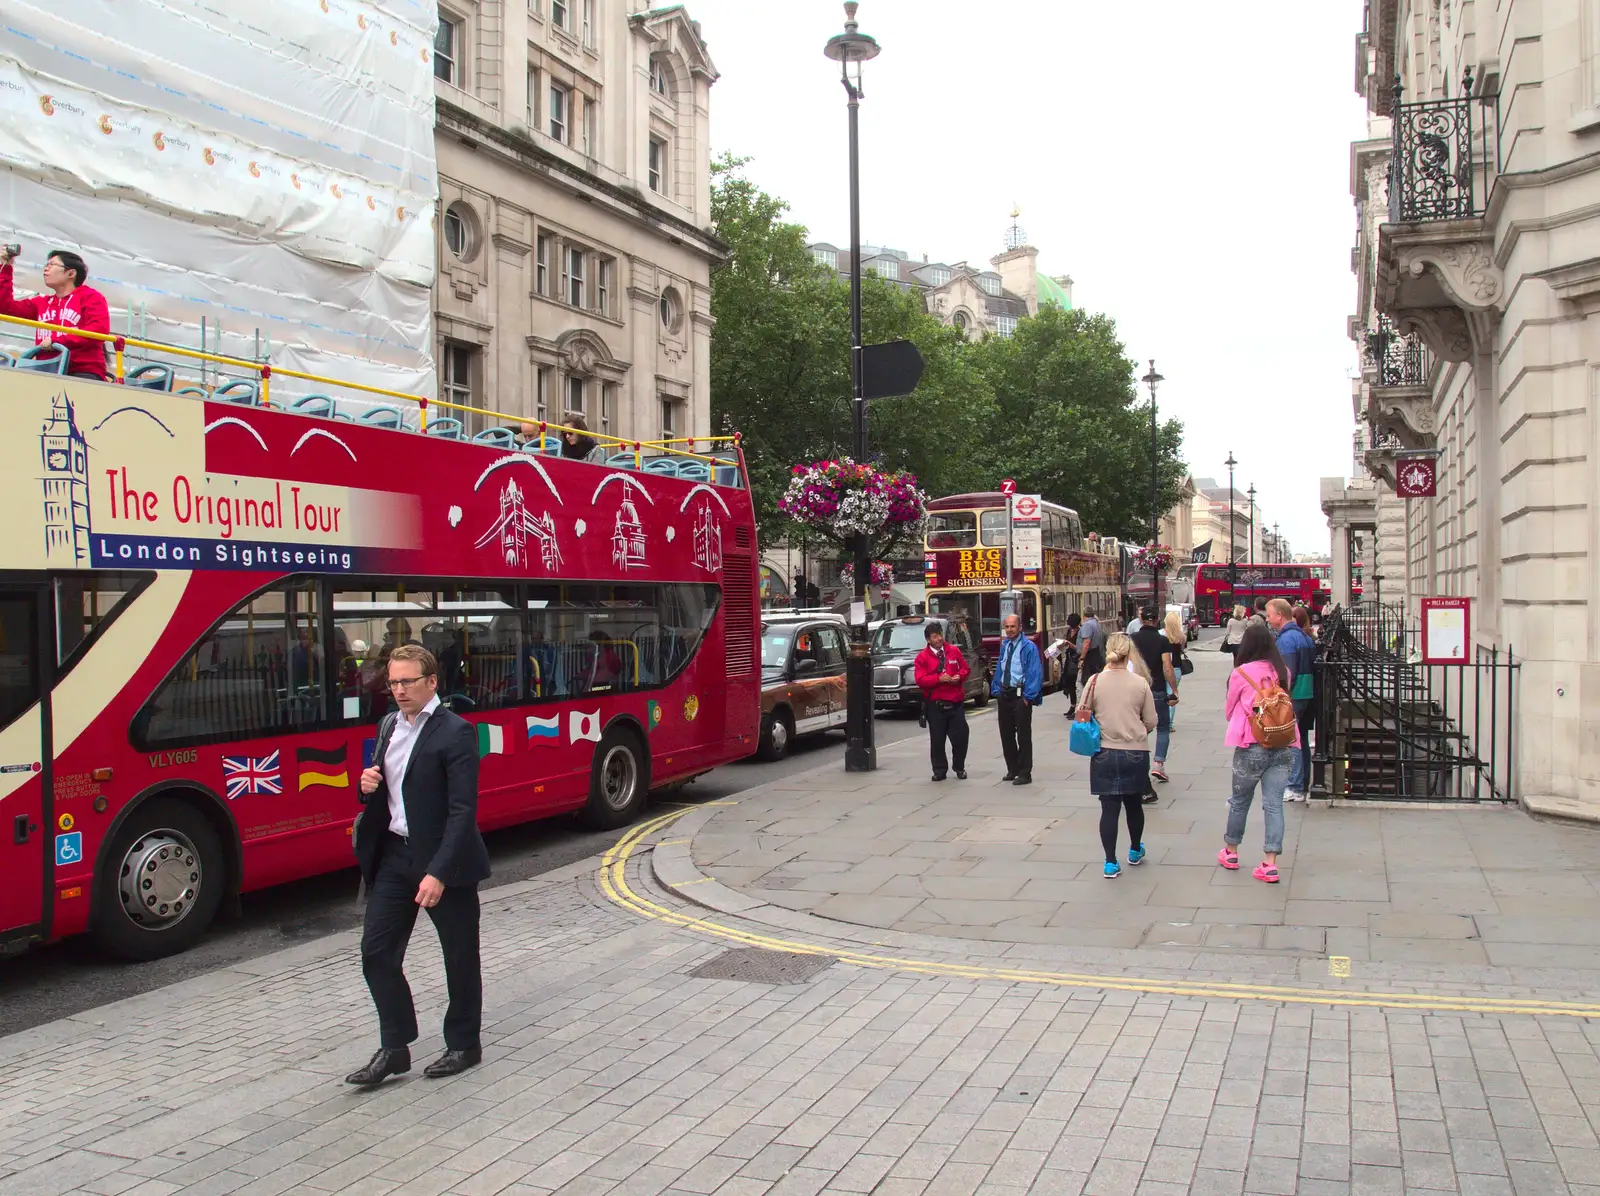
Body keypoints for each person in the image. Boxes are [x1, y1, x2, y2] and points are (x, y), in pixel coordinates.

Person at [348, 645, 491, 1086]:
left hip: (444, 861)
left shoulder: (456, 732)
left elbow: (463, 811)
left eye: (407, 681)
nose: (398, 690)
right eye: (392, 682)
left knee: (459, 956)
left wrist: (439, 872)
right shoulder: (388, 724)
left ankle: (464, 1044)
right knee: (376, 953)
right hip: (396, 855)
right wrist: (366, 785)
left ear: (432, 682)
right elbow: (384, 789)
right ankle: (395, 1047)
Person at [1220, 623, 1299, 884]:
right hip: (1283, 743)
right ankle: (1270, 863)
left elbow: (1230, 710)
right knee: (1274, 804)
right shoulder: (1282, 671)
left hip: (1251, 745)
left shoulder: (1241, 673)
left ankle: (1231, 852)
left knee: (1240, 801)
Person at [1080, 632, 1159, 878]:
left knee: (1109, 809)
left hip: (1103, 751)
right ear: (1129, 653)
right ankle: (1135, 850)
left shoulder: (1094, 681)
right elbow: (1151, 721)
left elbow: (1082, 714)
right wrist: (1137, 730)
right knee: (1134, 805)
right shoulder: (1140, 683)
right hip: (1135, 752)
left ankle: (1110, 862)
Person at [0, 247, 110, 379]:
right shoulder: (42, 303)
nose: (46, 269)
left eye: (52, 265)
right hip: (46, 369)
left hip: (81, 372)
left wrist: (57, 340)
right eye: (46, 265)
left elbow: (99, 331)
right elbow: (5, 307)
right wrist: (5, 267)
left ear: (71, 273)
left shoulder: (91, 297)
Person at [1266, 598, 1317, 802]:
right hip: (1306, 693)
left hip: (1294, 695)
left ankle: (1295, 787)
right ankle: (1302, 782)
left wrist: (1280, 697)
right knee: (1301, 738)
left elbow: (1287, 673)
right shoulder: (1303, 636)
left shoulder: (1286, 640)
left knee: (1292, 740)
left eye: (1269, 615)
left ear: (1280, 615)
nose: (1268, 620)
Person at [990, 612, 1043, 785]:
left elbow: (1035, 672)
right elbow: (1000, 668)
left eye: (1013, 626)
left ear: (1020, 627)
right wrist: (996, 690)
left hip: (1021, 696)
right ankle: (1012, 769)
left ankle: (1025, 772)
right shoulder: (1005, 645)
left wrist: (1028, 698)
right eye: (1007, 627)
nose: (1010, 630)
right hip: (1004, 694)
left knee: (1023, 735)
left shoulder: (1028, 647)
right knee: (1006, 734)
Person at [914, 623, 970, 782]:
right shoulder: (922, 657)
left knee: (961, 737)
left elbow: (965, 669)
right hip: (935, 705)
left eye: (940, 635)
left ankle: (959, 767)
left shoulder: (953, 651)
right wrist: (939, 679)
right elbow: (920, 680)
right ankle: (939, 770)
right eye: (935, 636)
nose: (939, 639)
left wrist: (960, 676)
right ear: (928, 640)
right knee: (937, 740)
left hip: (955, 702)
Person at [1132, 607, 1179, 783]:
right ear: (1157, 619)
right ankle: (1158, 764)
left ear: (1141, 619)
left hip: (1136, 690)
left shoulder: (1133, 639)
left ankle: (1137, 762)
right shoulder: (1162, 640)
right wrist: (1174, 690)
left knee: (1137, 727)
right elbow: (1167, 666)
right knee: (1163, 727)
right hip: (1157, 689)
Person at [1162, 609, 1188, 730]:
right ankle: (1169, 723)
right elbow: (1182, 649)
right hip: (1176, 668)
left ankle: (1164, 720)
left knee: (1163, 694)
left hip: (1163, 667)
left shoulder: (1161, 635)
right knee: (1172, 694)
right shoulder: (1181, 636)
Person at [1056, 612, 1082, 715]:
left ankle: (1077, 708)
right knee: (1070, 683)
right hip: (1069, 660)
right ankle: (1072, 705)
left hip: (1076, 660)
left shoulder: (1080, 632)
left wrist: (1070, 644)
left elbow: (1080, 648)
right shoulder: (1068, 631)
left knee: (1076, 684)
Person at [1078, 608, 1107, 684]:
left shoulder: (1087, 625)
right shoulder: (1096, 623)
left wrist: (1082, 659)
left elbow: (1087, 642)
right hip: (1097, 655)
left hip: (1090, 657)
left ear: (1084, 615)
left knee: (1085, 682)